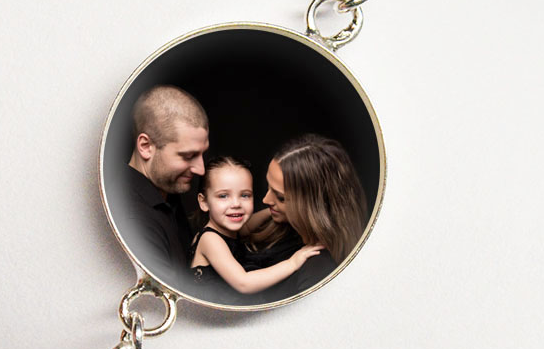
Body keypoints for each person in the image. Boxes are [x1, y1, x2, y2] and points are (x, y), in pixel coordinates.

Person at [243, 134, 368, 301]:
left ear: (313, 207)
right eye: (268, 187)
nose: (265, 200)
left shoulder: (317, 269)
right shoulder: (282, 226)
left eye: (280, 197)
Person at [115, 85, 209, 284]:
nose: (201, 169)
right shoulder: (133, 219)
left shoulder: (167, 191)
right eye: (188, 156)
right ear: (146, 146)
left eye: (202, 153)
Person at [189, 157, 323, 294]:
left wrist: (275, 210)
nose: (236, 204)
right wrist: (292, 263)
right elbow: (244, 283)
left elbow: (248, 226)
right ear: (204, 202)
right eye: (223, 196)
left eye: (245, 195)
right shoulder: (210, 239)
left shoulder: (226, 231)